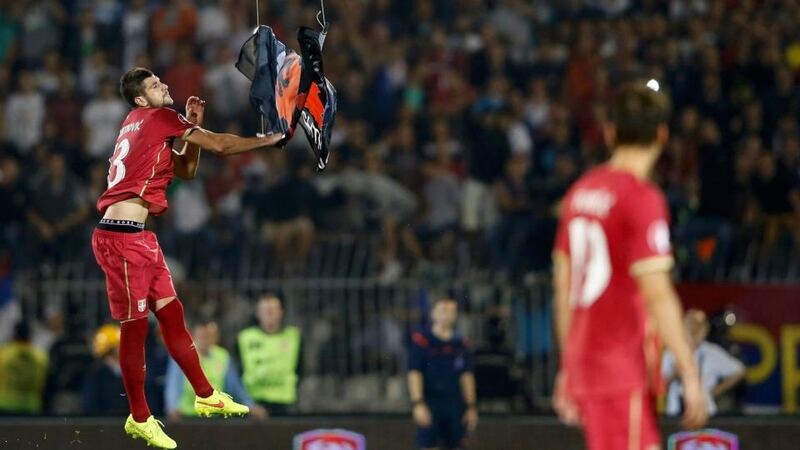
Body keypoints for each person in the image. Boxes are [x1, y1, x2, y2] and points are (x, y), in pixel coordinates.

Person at [91, 67, 283, 449]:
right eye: (154, 85)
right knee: (135, 328)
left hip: (141, 237)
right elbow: (222, 147)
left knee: (173, 314)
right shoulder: (159, 117)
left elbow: (187, 169)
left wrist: (192, 127)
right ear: (141, 99)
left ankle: (206, 393)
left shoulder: (139, 122)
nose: (163, 85)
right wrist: (269, 139)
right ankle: (140, 417)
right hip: (120, 238)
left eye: (160, 81)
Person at [552, 81, 708, 450]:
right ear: (662, 134)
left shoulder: (580, 192)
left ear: (609, 133)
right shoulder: (641, 198)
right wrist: (689, 371)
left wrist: (568, 367)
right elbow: (657, 293)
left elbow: (563, 291)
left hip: (591, 365)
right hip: (619, 366)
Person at [408, 297, 478, 450]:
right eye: (443, 311)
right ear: (433, 314)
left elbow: (467, 375)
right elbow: (415, 373)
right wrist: (417, 403)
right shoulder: (421, 341)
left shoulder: (461, 344)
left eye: (452, 311)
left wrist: (471, 406)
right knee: (428, 444)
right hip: (430, 401)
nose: (446, 315)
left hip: (454, 404)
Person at [165, 318, 266, 420]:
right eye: (202, 336)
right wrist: (172, 407)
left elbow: (235, 387)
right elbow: (173, 384)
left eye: (208, 336)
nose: (205, 340)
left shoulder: (223, 356)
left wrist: (250, 406)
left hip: (215, 417)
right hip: (188, 415)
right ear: (193, 336)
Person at [662, 309, 745, 417]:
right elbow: (660, 386)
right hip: (675, 413)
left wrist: (714, 392)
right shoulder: (671, 352)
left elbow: (739, 371)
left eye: (698, 327)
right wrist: (674, 374)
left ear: (705, 330)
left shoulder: (712, 352)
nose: (695, 330)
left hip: (706, 413)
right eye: (691, 326)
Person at [237, 294, 301, 417]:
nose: (269, 314)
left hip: (285, 401)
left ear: (281, 312)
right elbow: (238, 369)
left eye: (273, 310)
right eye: (265, 310)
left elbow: (301, 367)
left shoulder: (293, 336)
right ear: (257, 313)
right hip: (254, 401)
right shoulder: (245, 337)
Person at [0, 321, 48, 415]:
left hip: (5, 405)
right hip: (31, 406)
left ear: (14, 334)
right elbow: (43, 383)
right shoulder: (41, 356)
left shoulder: (3, 354)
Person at [81, 324, 128, 416]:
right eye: (118, 346)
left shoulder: (129, 371)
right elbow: (90, 404)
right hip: (103, 423)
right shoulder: (96, 374)